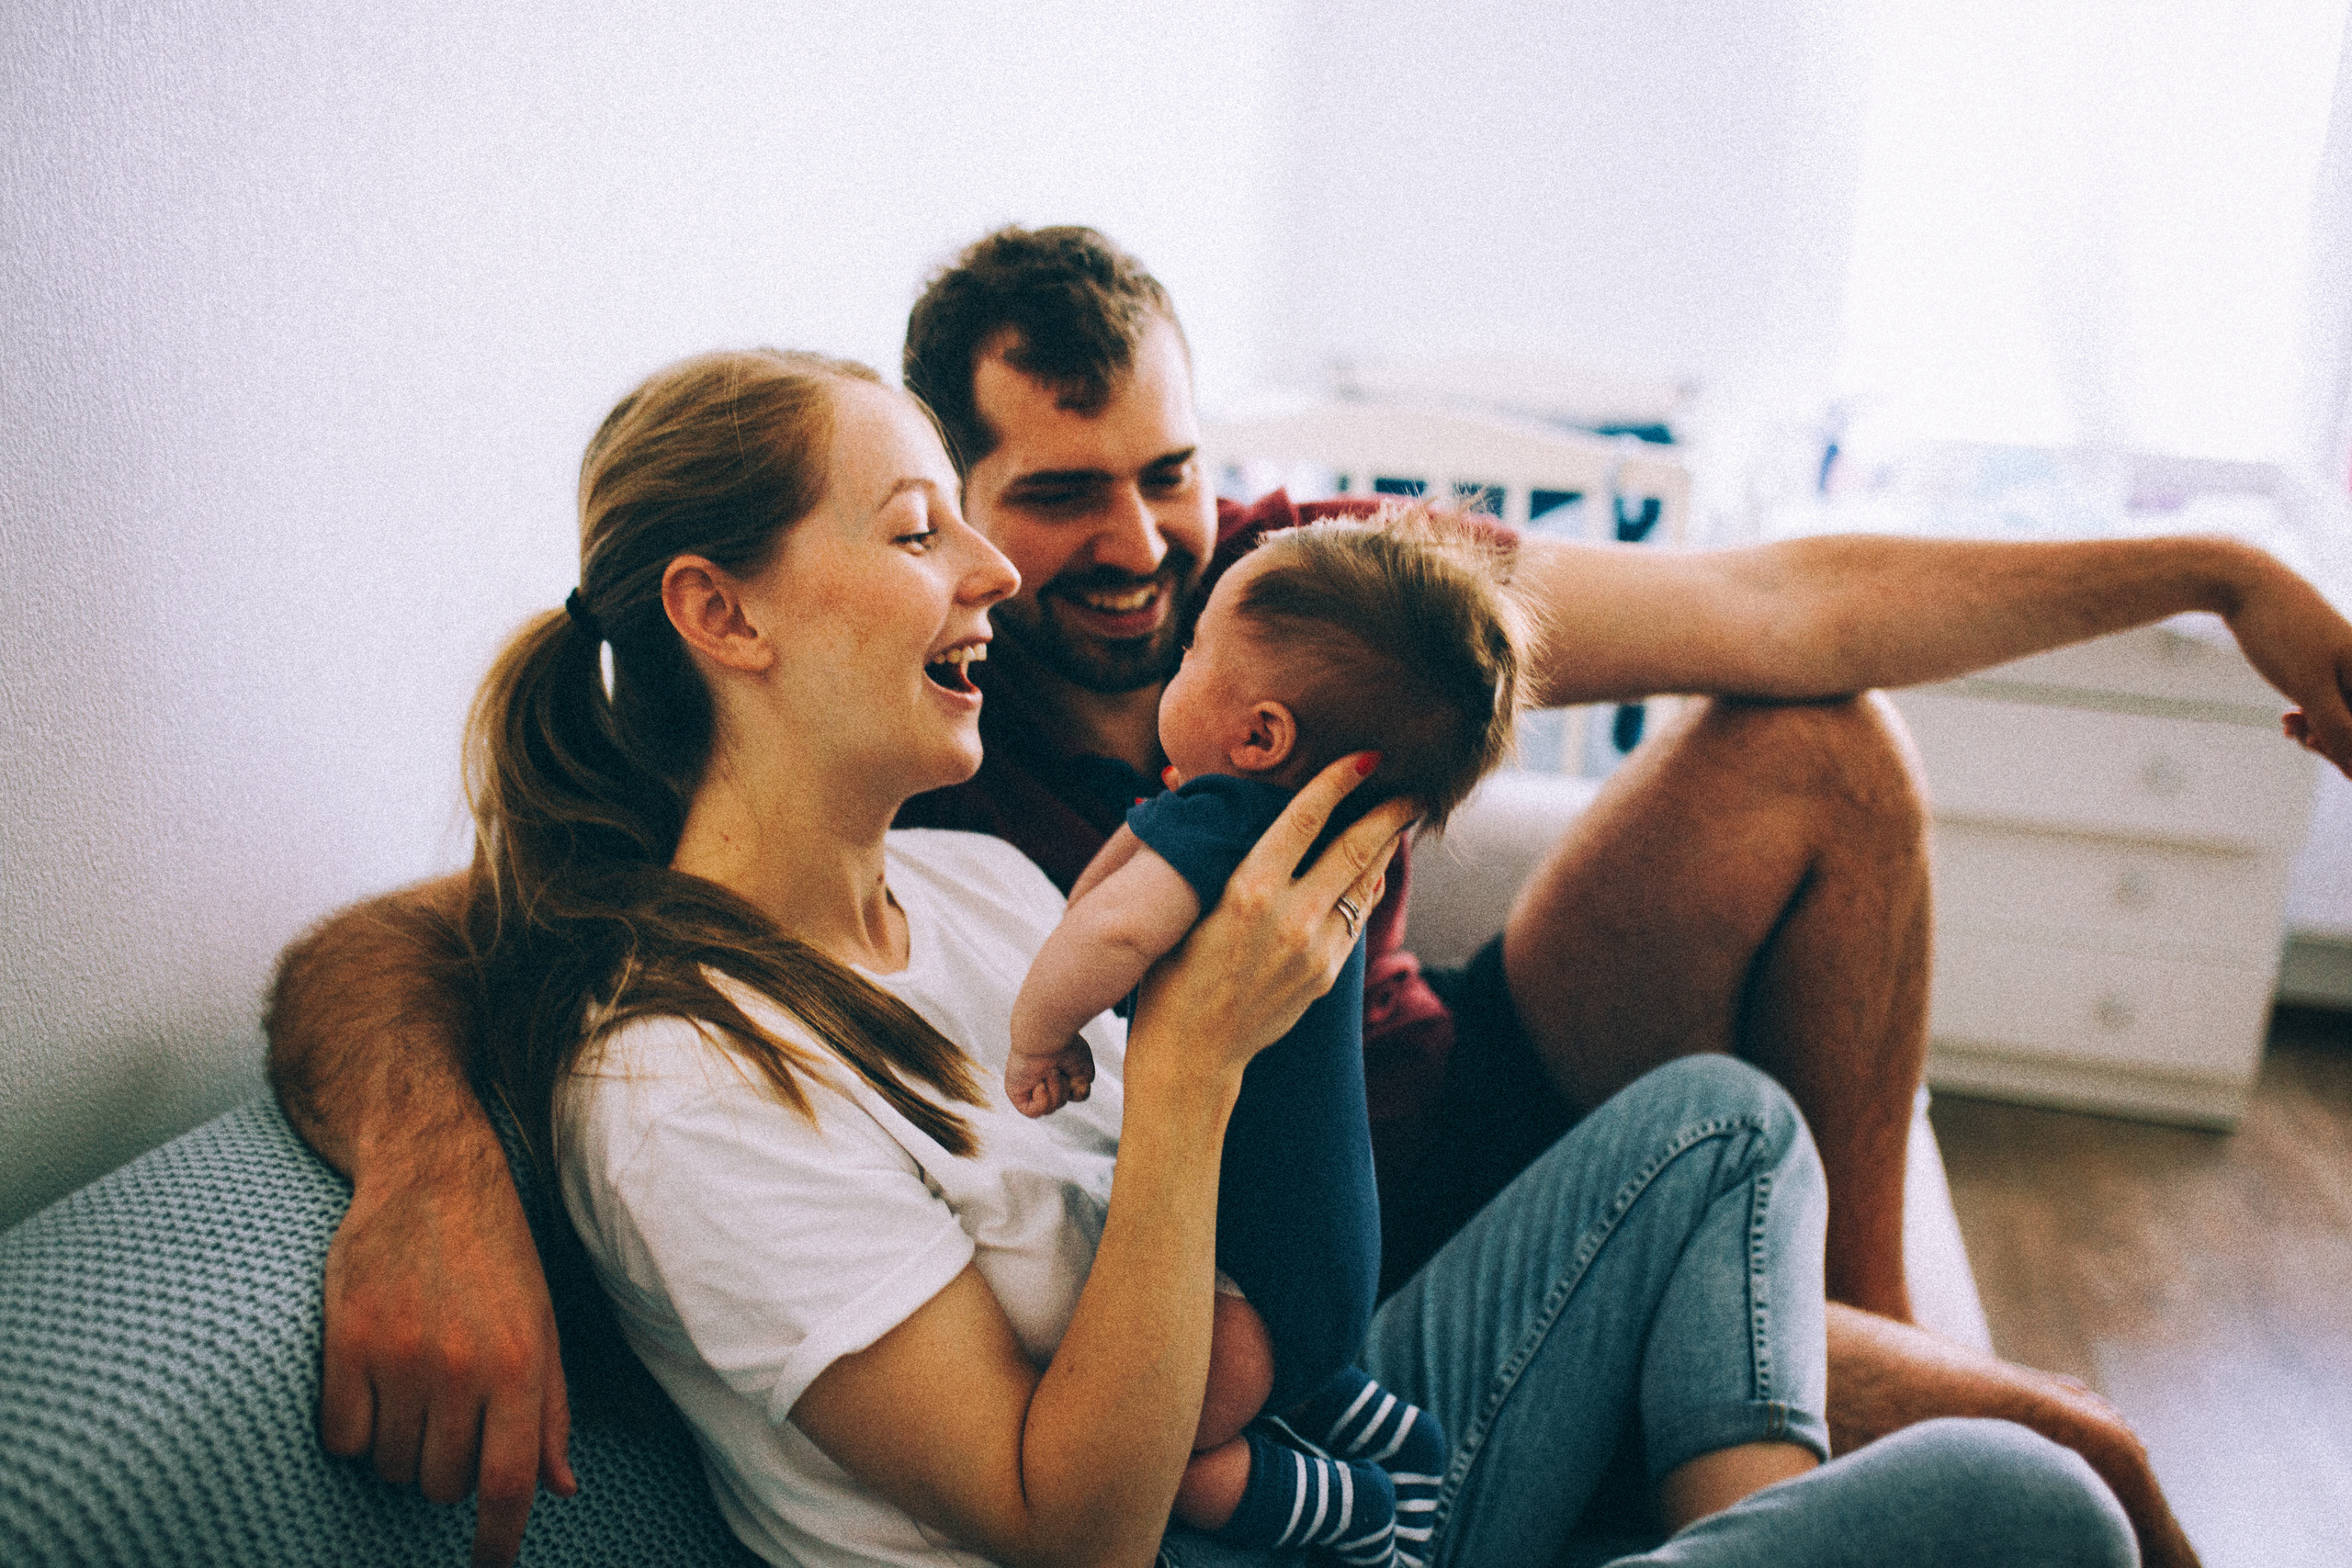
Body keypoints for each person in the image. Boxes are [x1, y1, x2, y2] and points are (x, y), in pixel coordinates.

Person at [266, 226, 2352, 1568]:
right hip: (1237, 1434)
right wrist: (431, 1155)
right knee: (2043, 1476)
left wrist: (2207, 574)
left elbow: (1771, 601)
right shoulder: (727, 1002)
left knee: (1776, 930)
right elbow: (442, 935)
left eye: (1165, 475)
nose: (1104, 553)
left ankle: (1780, 1441)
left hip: (1333, 1323)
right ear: (728, 612)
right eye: (995, 513)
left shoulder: (1179, 696)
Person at [1004, 508, 1531, 1564]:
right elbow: (1108, 878)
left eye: (1196, 655)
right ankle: (1397, 1437)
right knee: (1294, 1371)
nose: (1175, 666)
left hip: (1248, 1265)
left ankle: (1358, 1511)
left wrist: (1038, 1033)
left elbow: (1109, 925)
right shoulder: (1293, 838)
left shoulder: (1229, 822)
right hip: (1328, 1245)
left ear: (1260, 737)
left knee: (1181, 1458)